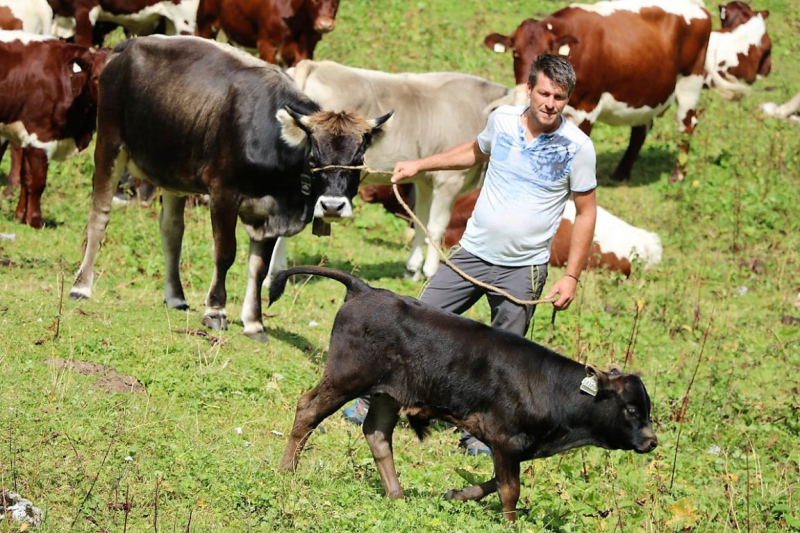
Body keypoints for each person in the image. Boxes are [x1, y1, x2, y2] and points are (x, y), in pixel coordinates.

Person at [344, 54, 597, 456]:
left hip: (523, 268)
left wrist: (571, 276)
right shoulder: (503, 121)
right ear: (529, 89)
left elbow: (586, 213)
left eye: (560, 97)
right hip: (472, 254)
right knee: (415, 322)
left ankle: (483, 432)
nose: (550, 104)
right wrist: (420, 165)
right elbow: (474, 152)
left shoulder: (577, 148)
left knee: (506, 356)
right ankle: (375, 398)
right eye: (544, 93)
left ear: (568, 99)